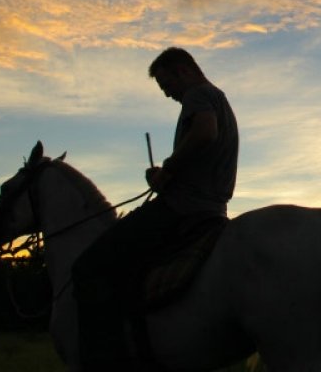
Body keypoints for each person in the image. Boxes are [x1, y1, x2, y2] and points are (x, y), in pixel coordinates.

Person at [72, 47, 239, 371]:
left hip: (184, 208)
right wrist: (165, 178)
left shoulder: (198, 95)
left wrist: (169, 168)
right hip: (213, 208)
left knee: (88, 267)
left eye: (167, 86)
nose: (168, 95)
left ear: (182, 71)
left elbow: (205, 132)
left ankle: (105, 360)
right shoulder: (220, 98)